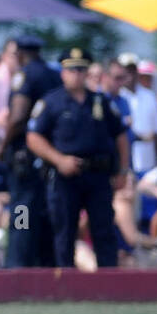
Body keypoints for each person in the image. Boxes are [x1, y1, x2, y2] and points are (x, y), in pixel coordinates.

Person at [26, 48, 130, 268]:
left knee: (103, 229)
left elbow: (121, 137)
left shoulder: (101, 102)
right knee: (65, 231)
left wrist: (122, 171)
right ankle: (66, 284)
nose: (76, 74)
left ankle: (108, 282)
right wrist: (59, 160)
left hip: (99, 175)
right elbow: (33, 138)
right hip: (65, 176)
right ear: (63, 72)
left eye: (81, 69)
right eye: (71, 69)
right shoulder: (51, 102)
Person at [3, 34, 62, 267]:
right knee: (44, 212)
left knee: (21, 211)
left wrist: (2, 145)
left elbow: (17, 117)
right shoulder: (54, 75)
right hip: (48, 157)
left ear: (19, 53)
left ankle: (18, 264)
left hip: (25, 158)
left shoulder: (26, 75)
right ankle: (45, 265)